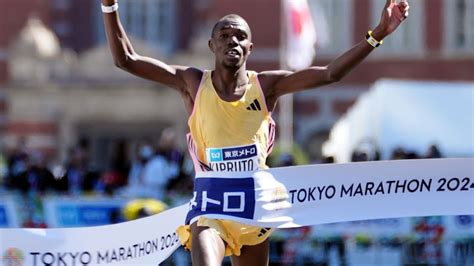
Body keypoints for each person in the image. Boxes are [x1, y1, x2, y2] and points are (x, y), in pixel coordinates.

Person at [101, 0, 409, 265]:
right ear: (212, 46)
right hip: (211, 209)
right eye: (224, 35)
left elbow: (331, 74)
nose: (232, 41)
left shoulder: (266, 86)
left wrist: (378, 33)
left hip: (254, 208)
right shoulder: (192, 83)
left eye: (240, 36)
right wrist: (109, 6)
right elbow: (125, 59)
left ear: (251, 47)